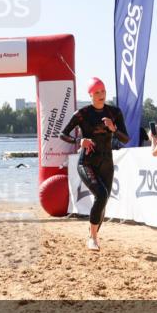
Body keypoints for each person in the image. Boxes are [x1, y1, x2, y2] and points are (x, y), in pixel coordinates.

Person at [59, 77, 129, 251]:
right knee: (101, 195)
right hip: (87, 162)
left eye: (103, 91)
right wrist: (78, 140)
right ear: (90, 95)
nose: (101, 95)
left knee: (103, 200)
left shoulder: (115, 112)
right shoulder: (82, 113)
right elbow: (63, 134)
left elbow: (126, 139)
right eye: (97, 92)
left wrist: (114, 129)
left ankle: (92, 235)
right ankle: (93, 238)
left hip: (106, 162)